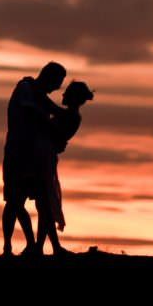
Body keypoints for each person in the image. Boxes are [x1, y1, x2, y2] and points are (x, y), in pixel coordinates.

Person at [2, 61, 67, 256]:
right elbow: (34, 114)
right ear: (48, 76)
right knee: (14, 201)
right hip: (18, 154)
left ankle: (35, 246)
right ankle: (9, 247)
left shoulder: (39, 95)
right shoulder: (25, 88)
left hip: (35, 157)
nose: (57, 88)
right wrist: (55, 133)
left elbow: (55, 111)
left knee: (42, 203)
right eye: (57, 82)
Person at [34, 81, 94, 255]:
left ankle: (46, 247)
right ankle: (48, 247)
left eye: (66, 93)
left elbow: (52, 128)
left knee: (45, 204)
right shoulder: (70, 115)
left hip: (46, 158)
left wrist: (39, 99)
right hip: (47, 156)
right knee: (44, 204)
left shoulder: (72, 116)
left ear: (74, 97)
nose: (62, 95)